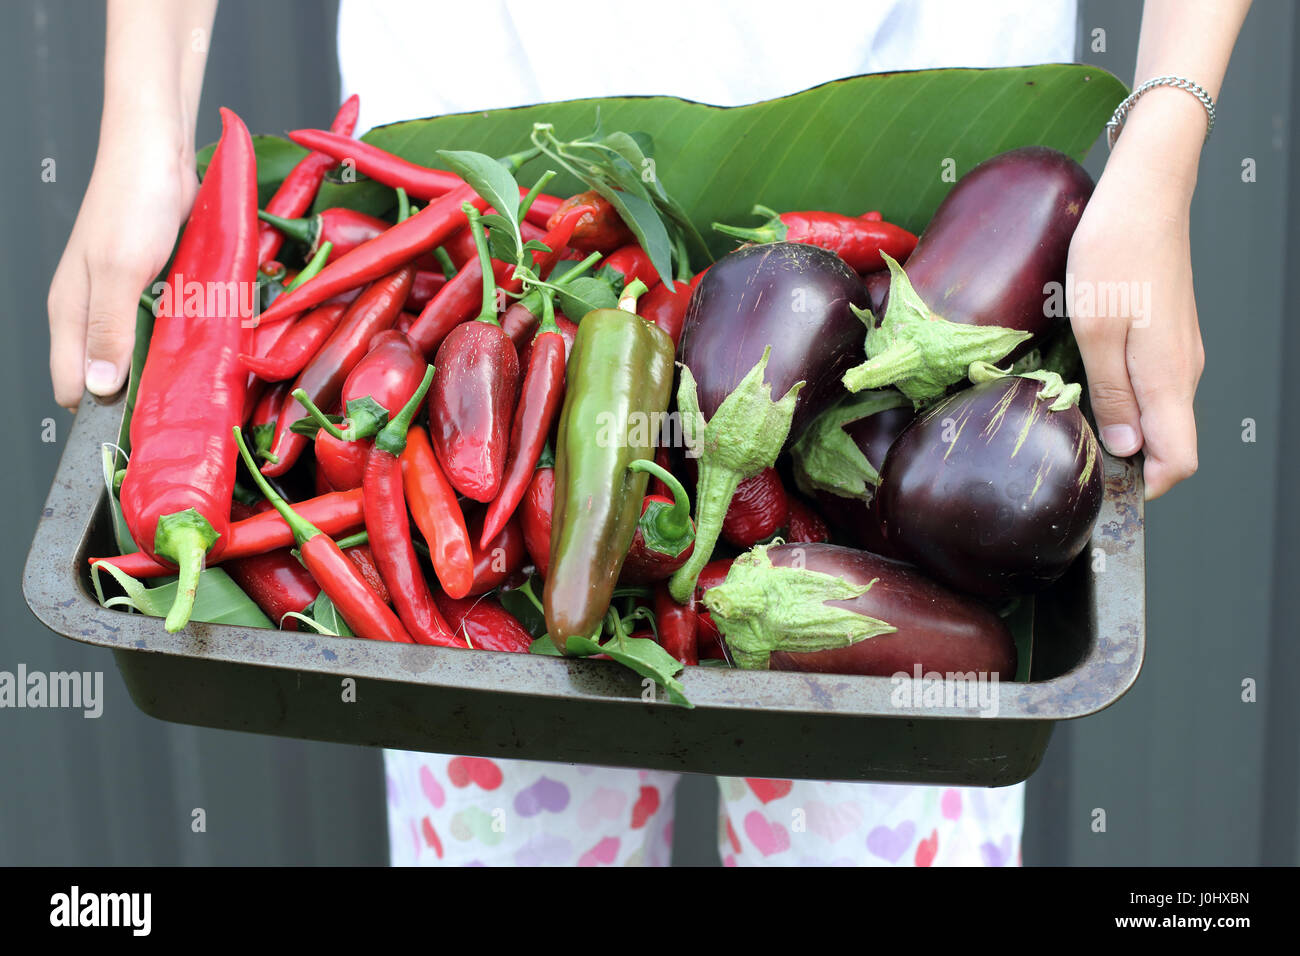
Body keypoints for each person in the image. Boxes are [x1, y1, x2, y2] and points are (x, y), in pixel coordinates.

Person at [48, 0, 1250, 865]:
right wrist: (142, 125)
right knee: (497, 789)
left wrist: (1164, 148)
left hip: (933, 228)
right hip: (489, 150)